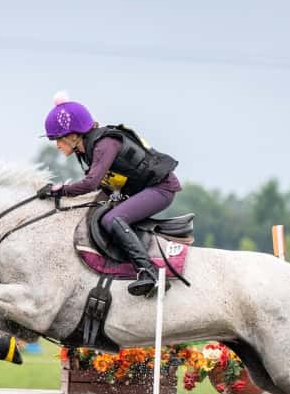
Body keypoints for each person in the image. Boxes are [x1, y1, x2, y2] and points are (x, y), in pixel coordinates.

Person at [37, 91, 182, 297]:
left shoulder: (104, 144)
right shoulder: (88, 149)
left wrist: (59, 190)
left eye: (58, 139)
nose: (57, 145)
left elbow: (90, 183)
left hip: (161, 188)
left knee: (112, 219)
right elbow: (102, 187)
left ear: (73, 135)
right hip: (141, 190)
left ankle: (149, 273)